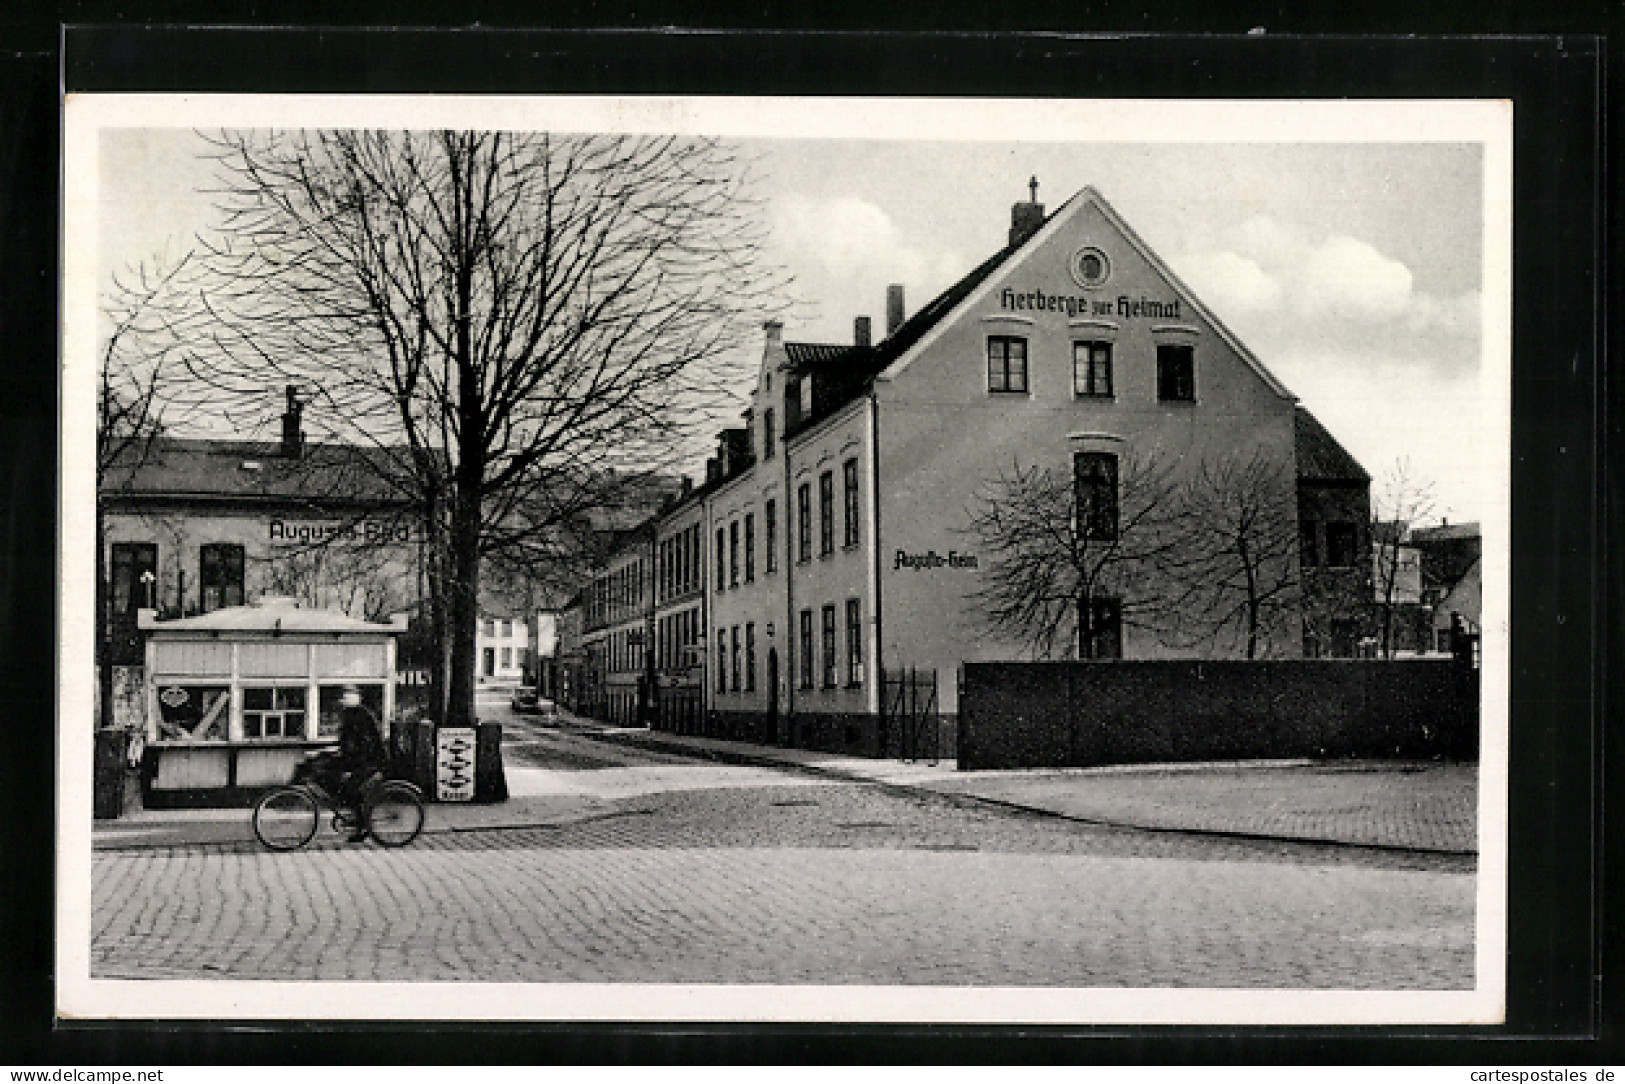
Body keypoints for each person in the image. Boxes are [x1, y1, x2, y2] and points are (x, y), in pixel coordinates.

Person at [334, 685, 387, 842]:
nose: (344, 700)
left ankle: (362, 826)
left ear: (356, 698)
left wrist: (349, 762)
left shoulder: (363, 715)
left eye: (347, 697)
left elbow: (364, 743)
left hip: (369, 760)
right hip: (358, 758)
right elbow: (345, 740)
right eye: (343, 697)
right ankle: (356, 818)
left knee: (353, 788)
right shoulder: (349, 714)